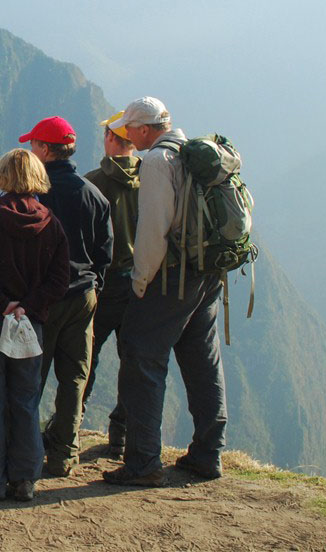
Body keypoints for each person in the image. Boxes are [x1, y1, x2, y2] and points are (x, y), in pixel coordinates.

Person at [103, 97, 228, 487]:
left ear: (144, 129)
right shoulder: (191, 153)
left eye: (130, 129)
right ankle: (208, 455)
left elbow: (153, 233)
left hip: (171, 277)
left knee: (142, 358)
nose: (127, 135)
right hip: (207, 273)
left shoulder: (156, 163)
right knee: (201, 359)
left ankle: (142, 463)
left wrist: (140, 284)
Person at [0, 148, 70, 502]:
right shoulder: (51, 224)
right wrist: (27, 307)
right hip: (27, 324)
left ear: (3, 175)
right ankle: (25, 478)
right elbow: (59, 279)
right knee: (25, 399)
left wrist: (1, 303)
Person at [23, 115, 112, 477]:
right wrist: (92, 286)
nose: (31, 150)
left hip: (43, 299)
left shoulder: (33, 196)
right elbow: (105, 252)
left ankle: (25, 454)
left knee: (31, 377)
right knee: (74, 378)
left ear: (45, 150)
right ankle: (64, 454)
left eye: (34, 145)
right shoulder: (94, 195)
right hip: (82, 297)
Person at [82, 111, 140, 458]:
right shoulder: (154, 180)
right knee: (133, 360)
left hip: (103, 285)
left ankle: (70, 424)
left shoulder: (93, 183)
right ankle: (122, 434)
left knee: (85, 357)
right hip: (141, 285)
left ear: (110, 139)